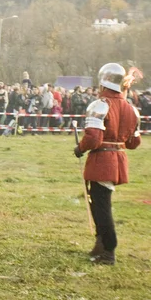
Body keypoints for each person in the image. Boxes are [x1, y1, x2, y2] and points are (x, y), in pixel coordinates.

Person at [74, 63, 141, 265]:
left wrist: (80, 149)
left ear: (103, 82)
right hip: (118, 159)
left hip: (103, 160)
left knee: (101, 206)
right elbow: (134, 143)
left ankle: (108, 250)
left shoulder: (100, 104)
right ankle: (100, 244)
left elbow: (93, 139)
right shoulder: (131, 109)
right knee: (98, 204)